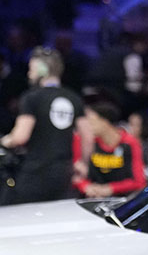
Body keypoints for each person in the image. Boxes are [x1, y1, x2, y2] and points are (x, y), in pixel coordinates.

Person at [1, 47, 90, 205]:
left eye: (31, 69)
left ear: (42, 69)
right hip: (64, 174)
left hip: (35, 173)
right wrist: (83, 163)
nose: (29, 73)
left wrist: (6, 141)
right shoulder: (73, 97)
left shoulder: (31, 97)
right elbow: (88, 136)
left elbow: (21, 137)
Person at [72, 100, 146, 198]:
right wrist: (85, 186)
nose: (87, 126)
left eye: (91, 121)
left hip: (121, 201)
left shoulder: (129, 143)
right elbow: (75, 174)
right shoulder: (83, 141)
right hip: (89, 198)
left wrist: (109, 188)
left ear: (105, 121)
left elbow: (139, 181)